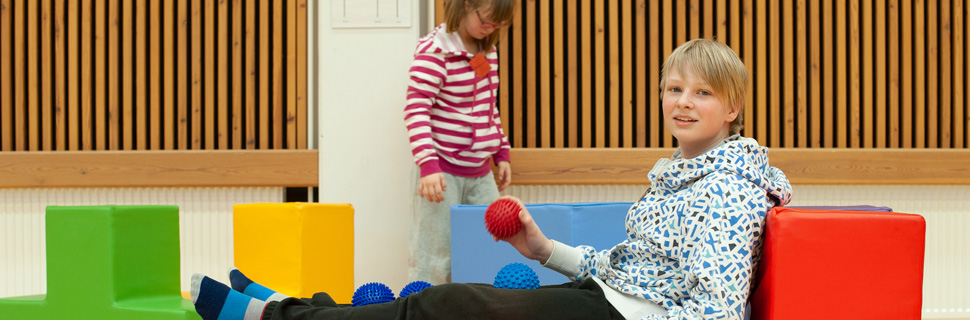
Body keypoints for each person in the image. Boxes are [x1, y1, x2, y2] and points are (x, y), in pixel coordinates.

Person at [189, 38, 793, 320]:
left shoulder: (730, 186)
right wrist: (541, 249)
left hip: (631, 318)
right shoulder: (678, 176)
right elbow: (627, 267)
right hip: (609, 300)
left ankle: (276, 318)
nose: (681, 103)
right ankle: (292, 308)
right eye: (673, 88)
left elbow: (717, 307)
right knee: (440, 302)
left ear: (732, 108)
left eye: (702, 93)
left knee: (451, 303)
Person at [404, 0, 517, 285]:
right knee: (435, 257)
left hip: (479, 173)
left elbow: (488, 106)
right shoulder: (436, 51)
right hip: (441, 173)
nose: (492, 29)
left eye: (499, 24)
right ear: (466, 5)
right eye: (487, 20)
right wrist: (428, 166)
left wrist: (500, 151)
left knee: (492, 247)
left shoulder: (487, 50)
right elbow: (416, 109)